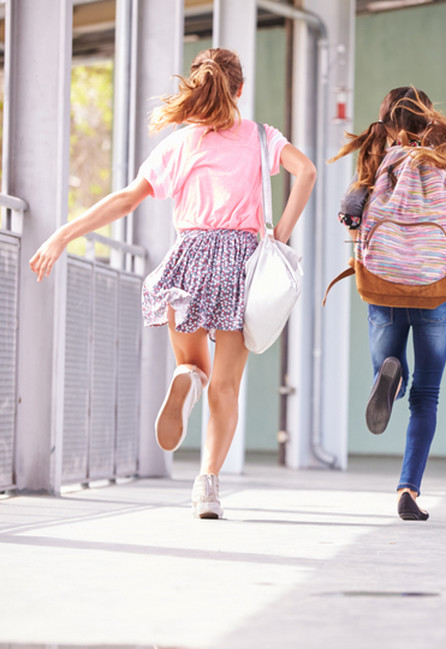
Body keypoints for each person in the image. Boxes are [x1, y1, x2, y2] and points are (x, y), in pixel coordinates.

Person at [29, 48, 316, 519]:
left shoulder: (181, 145)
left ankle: (185, 379)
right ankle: (208, 485)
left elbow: (125, 200)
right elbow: (305, 171)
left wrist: (64, 233)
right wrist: (279, 235)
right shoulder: (261, 137)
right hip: (240, 265)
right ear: (240, 89)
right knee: (226, 388)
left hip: (188, 259)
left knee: (193, 367)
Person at [330, 87, 446, 521]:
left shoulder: (376, 164)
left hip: (384, 284)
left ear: (388, 126)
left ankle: (389, 378)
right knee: (427, 396)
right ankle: (409, 490)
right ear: (429, 120)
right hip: (436, 287)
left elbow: (350, 212)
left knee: (388, 366)